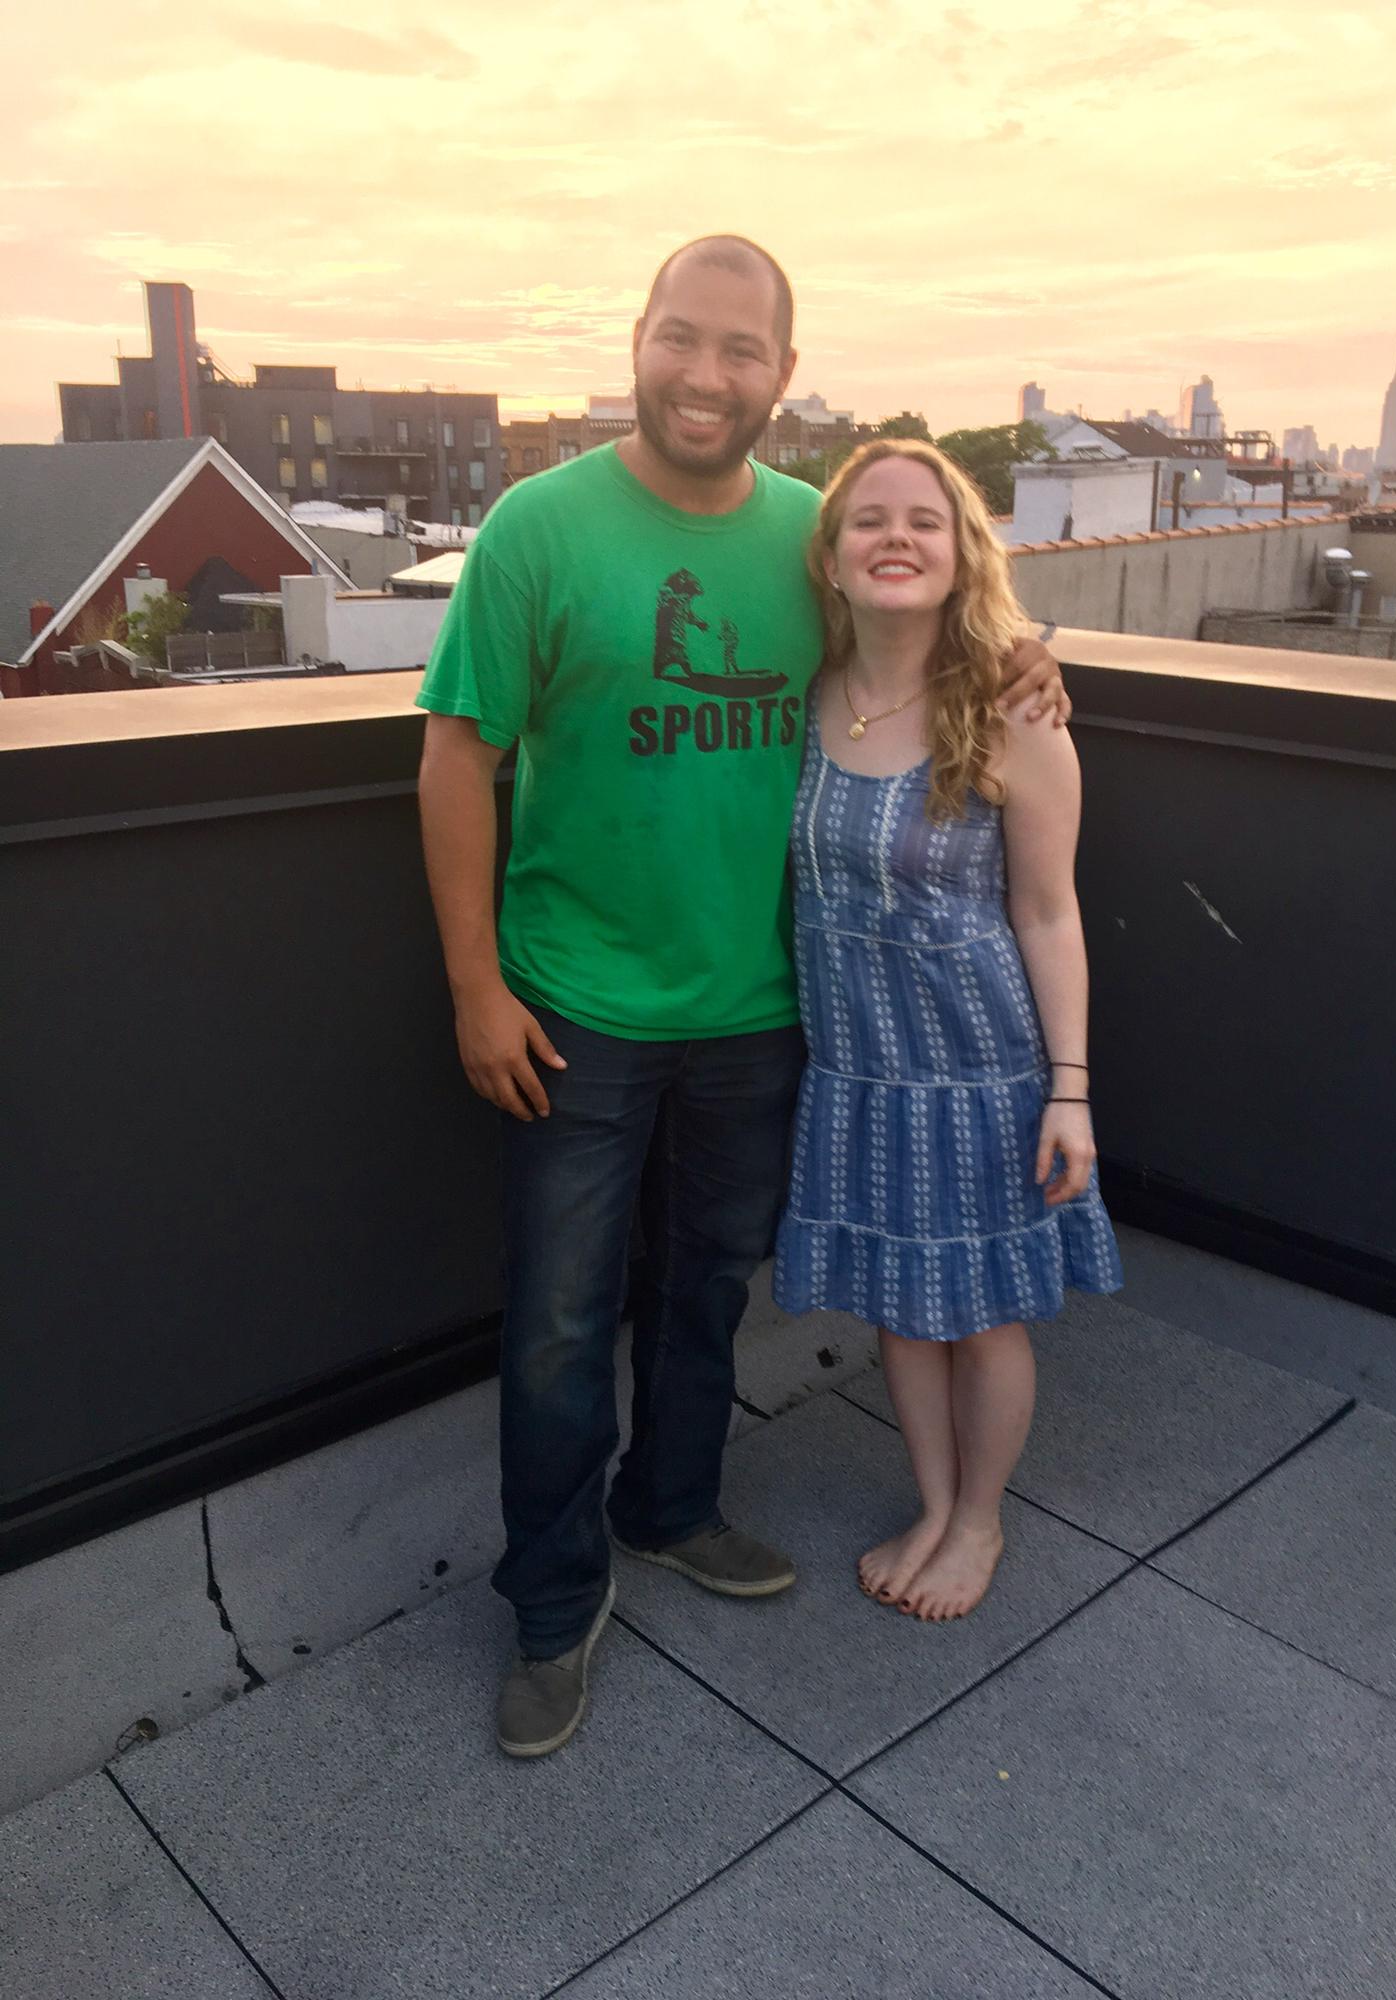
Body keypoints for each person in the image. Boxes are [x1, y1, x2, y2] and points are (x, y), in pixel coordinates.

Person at [415, 236, 1069, 1758]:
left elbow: (927, 622)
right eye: (681, 340)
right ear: (636, 340)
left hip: (764, 1012)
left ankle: (675, 1509)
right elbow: (458, 755)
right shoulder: (537, 528)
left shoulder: (806, 534)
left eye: (742, 350)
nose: (707, 376)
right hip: (573, 1005)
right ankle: (553, 1599)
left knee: (710, 1288)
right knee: (564, 1323)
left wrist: (1030, 653)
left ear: (785, 369)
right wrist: (472, 986)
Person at [773, 438, 1122, 1622]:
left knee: (980, 1312)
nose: (897, 538)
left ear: (964, 550)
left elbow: (1050, 910)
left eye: (926, 519)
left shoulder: (1015, 711)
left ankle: (981, 1519)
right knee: (899, 1303)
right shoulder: (806, 690)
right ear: (829, 555)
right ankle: (932, 1501)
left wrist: (1068, 1089)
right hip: (859, 1067)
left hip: (979, 1069)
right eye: (869, 519)